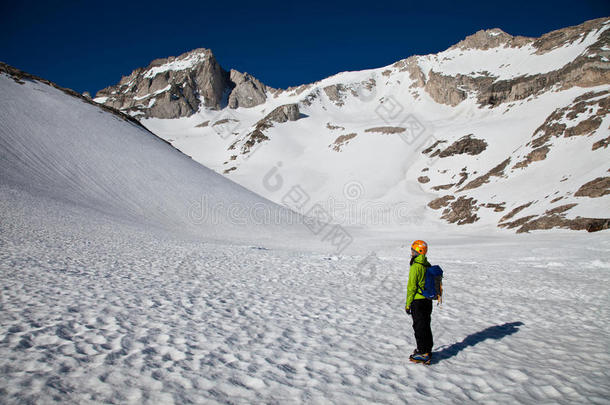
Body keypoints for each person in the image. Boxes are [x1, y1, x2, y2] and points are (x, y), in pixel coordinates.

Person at [405, 240, 433, 364]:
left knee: (419, 326)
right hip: (427, 300)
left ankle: (423, 353)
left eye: (413, 250)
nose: (411, 252)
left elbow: (411, 286)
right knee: (426, 325)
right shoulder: (427, 264)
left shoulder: (416, 265)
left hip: (418, 301)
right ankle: (426, 349)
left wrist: (407, 304)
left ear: (418, 251)